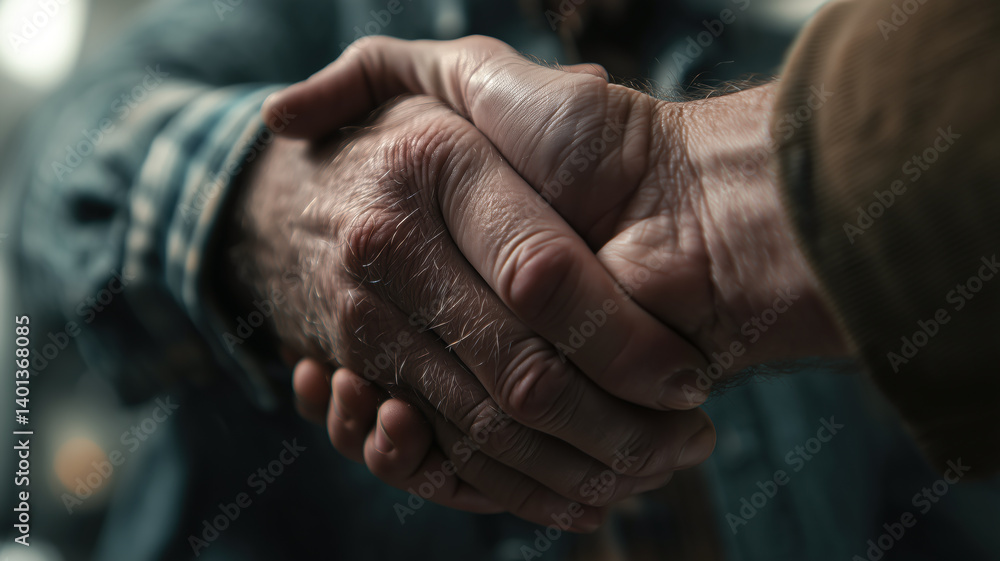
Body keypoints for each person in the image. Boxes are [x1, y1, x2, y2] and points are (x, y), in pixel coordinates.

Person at [4, 0, 998, 559]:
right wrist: (267, 200)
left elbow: (926, 499)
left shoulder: (800, 75)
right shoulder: (307, 18)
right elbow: (64, 159)